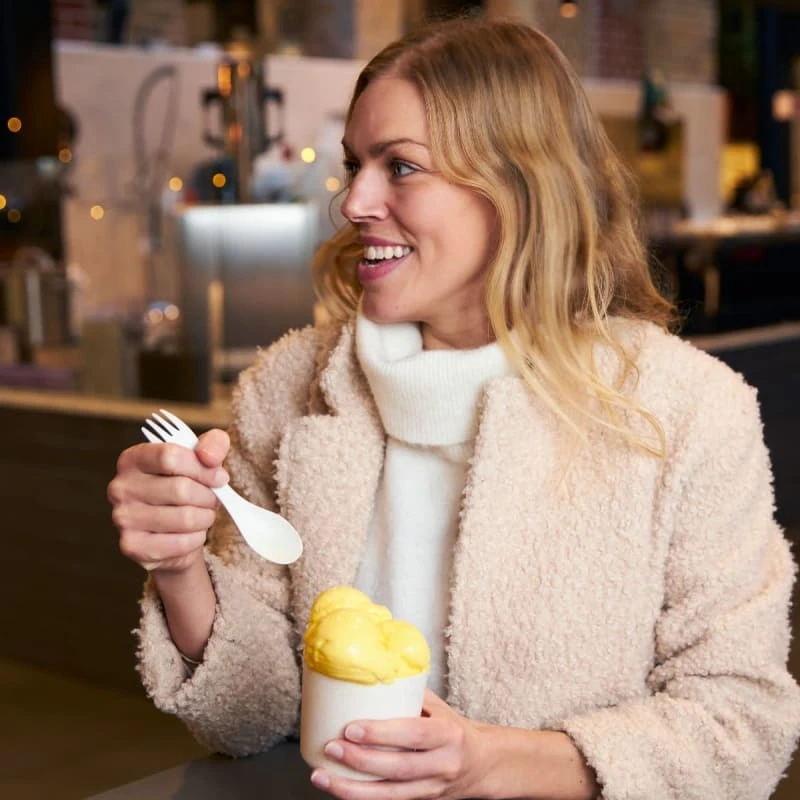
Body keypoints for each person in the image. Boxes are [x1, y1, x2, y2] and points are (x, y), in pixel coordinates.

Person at [108, 16, 800, 800]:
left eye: (400, 167)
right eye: (355, 164)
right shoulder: (288, 386)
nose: (354, 201)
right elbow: (251, 714)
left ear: (520, 187)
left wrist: (491, 762)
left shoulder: (687, 412)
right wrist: (180, 568)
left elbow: (739, 726)